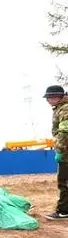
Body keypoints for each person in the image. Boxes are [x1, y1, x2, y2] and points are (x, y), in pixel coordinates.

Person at [44, 84, 68, 220]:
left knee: (64, 181)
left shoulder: (64, 109)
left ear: (57, 97)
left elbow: (64, 132)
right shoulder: (60, 108)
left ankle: (63, 210)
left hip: (66, 151)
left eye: (49, 97)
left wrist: (60, 150)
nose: (48, 100)